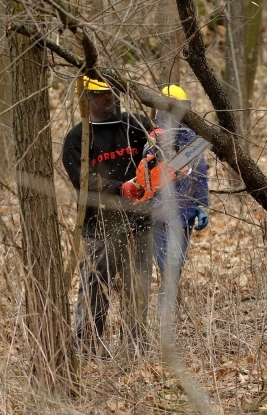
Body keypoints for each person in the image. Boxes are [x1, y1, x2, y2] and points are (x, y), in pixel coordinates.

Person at [62, 76, 153, 356]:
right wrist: (120, 188)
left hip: (140, 221)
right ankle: (86, 347)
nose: (108, 98)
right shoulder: (78, 138)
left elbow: (159, 153)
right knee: (95, 289)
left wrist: (162, 143)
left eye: (111, 92)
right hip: (98, 225)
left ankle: (134, 348)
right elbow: (82, 180)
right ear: (86, 98)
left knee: (137, 286)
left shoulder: (137, 125)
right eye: (100, 94)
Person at [150, 84, 209, 291]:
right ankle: (167, 304)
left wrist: (202, 205)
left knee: (177, 263)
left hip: (185, 212)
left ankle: (170, 303)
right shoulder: (152, 137)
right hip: (157, 212)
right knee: (166, 264)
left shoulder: (192, 139)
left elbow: (200, 172)